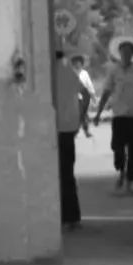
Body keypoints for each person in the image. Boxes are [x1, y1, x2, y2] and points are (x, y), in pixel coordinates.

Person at [94, 36, 133, 195]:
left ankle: (130, 181)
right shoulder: (113, 71)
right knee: (117, 147)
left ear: (132, 54)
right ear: (119, 54)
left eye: (128, 52)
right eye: (123, 52)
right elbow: (106, 92)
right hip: (119, 115)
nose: (125, 54)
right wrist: (98, 113)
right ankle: (121, 171)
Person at [54, 49, 91, 230]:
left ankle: (62, 216)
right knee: (67, 173)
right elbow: (86, 94)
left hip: (56, 129)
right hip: (69, 128)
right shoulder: (69, 73)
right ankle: (72, 216)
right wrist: (80, 116)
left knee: (59, 174)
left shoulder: (50, 73)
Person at [70, 53, 95, 138]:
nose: (78, 64)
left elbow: (89, 85)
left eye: (79, 62)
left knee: (82, 115)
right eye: (76, 62)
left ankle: (85, 130)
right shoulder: (70, 73)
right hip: (72, 98)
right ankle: (75, 131)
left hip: (82, 98)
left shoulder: (84, 73)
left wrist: (93, 96)